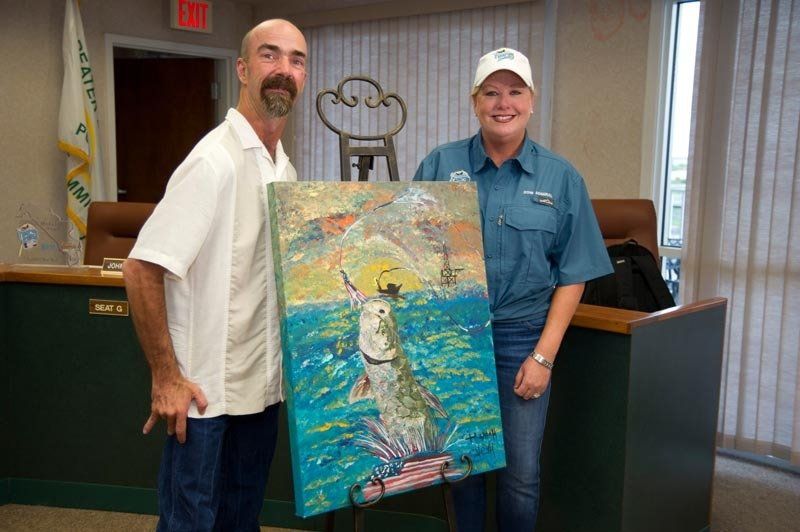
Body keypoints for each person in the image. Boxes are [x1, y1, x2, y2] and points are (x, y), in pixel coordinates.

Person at [413, 47, 613, 531]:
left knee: (520, 476)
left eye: (515, 92)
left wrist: (543, 356)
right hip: (455, 341)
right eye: (491, 92)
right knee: (460, 470)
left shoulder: (560, 178)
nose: (504, 103)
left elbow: (574, 272)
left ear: (531, 100)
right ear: (474, 100)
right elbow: (412, 249)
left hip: (523, 340)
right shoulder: (440, 165)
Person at [122, 18, 308, 531]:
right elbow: (139, 269)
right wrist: (166, 377)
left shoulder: (282, 169)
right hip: (204, 401)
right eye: (270, 56)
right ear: (244, 70)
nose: (284, 70)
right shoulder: (214, 161)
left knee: (239, 522)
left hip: (260, 393)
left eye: (296, 60)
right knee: (191, 525)